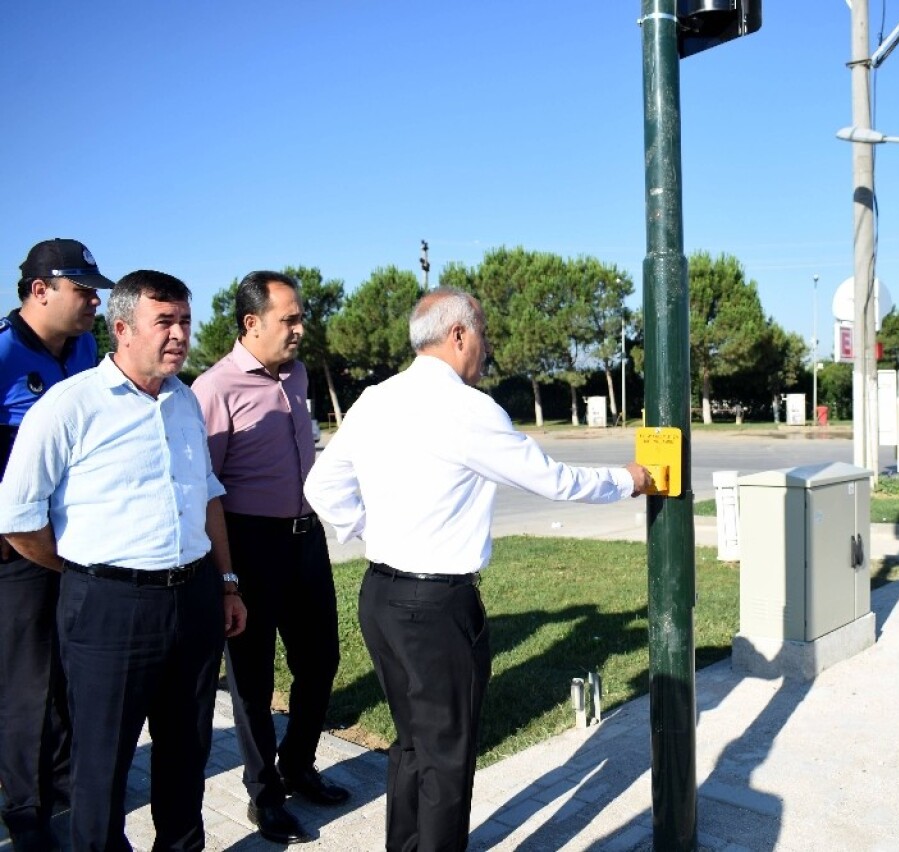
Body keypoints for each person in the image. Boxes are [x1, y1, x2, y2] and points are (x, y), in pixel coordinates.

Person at [304, 287, 651, 851]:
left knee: (413, 744)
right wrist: (629, 480)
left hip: (381, 596)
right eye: (483, 334)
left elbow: (321, 487)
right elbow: (553, 480)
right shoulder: (467, 409)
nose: (486, 348)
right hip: (436, 608)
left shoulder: (374, 399)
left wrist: (379, 534)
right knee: (446, 758)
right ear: (458, 335)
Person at [0, 270, 247, 851]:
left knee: (187, 753)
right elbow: (16, 517)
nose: (179, 335)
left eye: (185, 321)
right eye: (164, 322)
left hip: (193, 600)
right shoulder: (69, 406)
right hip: (109, 609)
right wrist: (83, 570)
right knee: (102, 764)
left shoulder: (185, 400)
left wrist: (227, 583)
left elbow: (208, 493)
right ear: (121, 329)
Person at [192, 271, 348, 844]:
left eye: (300, 316)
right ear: (251, 323)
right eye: (290, 319)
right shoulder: (214, 389)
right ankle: (264, 795)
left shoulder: (298, 374)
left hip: (307, 539)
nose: (300, 328)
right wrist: (226, 574)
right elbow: (205, 488)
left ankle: (298, 764)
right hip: (250, 544)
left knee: (322, 659)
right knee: (253, 682)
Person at [0, 238, 113, 851]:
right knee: (26, 686)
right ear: (41, 290)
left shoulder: (90, 347)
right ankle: (25, 814)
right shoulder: (4, 352)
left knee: (72, 674)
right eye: (83, 288)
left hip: (77, 542)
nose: (95, 299)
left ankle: (66, 785)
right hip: (16, 551)